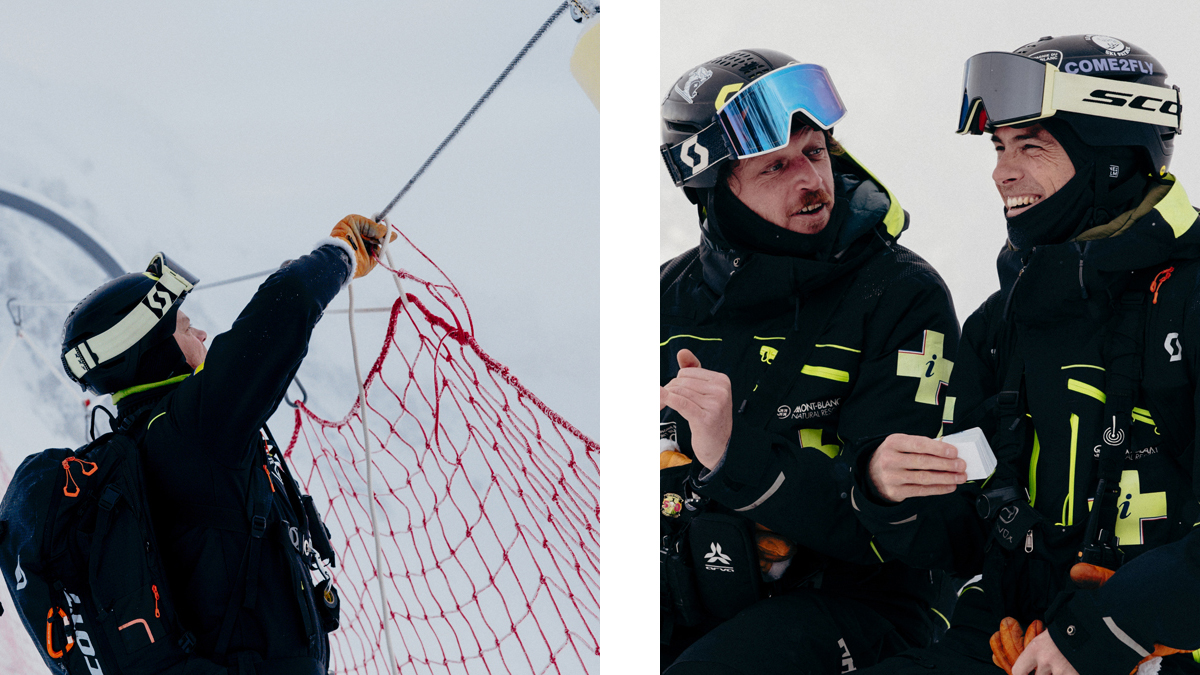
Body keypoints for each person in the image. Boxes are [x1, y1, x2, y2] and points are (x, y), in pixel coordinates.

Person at [851, 35, 1200, 675]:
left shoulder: (1190, 297)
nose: (1001, 172)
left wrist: (1114, 628)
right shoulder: (1000, 322)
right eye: (1000, 147)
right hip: (1012, 642)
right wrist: (885, 490)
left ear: (1112, 159)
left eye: (1031, 147)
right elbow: (961, 535)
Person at [658, 48, 961, 674]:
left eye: (816, 152)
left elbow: (906, 527)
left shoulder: (902, 295)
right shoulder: (665, 298)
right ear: (717, 189)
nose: (812, 181)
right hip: (699, 593)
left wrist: (733, 455)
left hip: (863, 604)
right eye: (775, 167)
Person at [58, 214, 393, 674]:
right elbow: (285, 306)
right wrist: (341, 254)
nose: (200, 335)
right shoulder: (193, 429)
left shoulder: (139, 444)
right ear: (152, 349)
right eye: (182, 327)